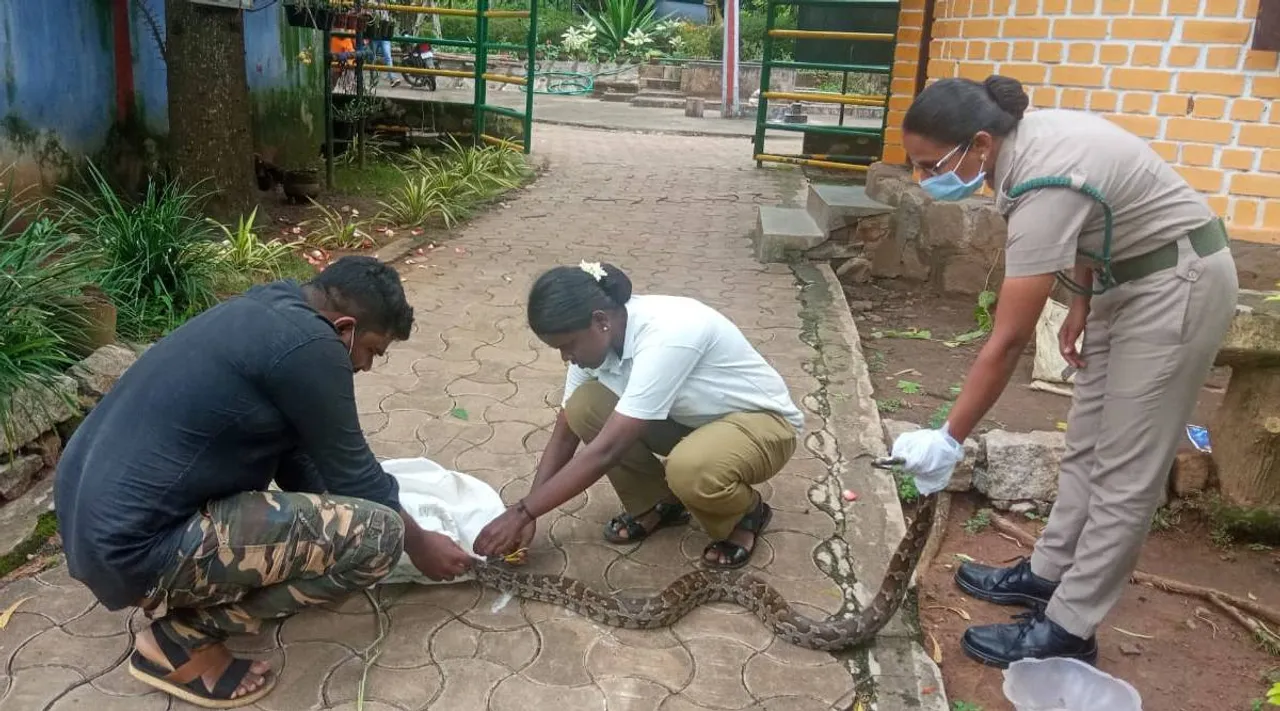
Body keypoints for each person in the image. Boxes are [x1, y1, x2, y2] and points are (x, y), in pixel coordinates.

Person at [890, 75, 1238, 668]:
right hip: (1122, 279)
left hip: (1178, 287)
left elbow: (1006, 341)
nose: (924, 180)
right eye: (915, 167)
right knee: (1086, 441)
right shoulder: (1018, 145)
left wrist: (949, 437)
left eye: (931, 165)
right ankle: (1048, 573)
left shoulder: (1041, 180)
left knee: (1126, 471)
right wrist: (1080, 302)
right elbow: (1096, 214)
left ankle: (1071, 627)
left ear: (978, 143)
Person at [54, 257, 474, 709]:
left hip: (93, 532)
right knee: (383, 534)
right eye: (372, 350)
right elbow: (358, 476)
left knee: (349, 523)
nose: (367, 366)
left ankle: (192, 590)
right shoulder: (314, 345)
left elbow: (296, 458)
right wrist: (419, 543)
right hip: (136, 553)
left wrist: (331, 530)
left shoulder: (267, 307)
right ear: (346, 327)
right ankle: (183, 638)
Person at [472, 262, 805, 569]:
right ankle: (659, 503)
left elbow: (607, 451)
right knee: (584, 407)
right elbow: (565, 430)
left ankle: (745, 514)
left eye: (568, 345)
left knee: (690, 469)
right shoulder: (599, 339)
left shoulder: (669, 334)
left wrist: (522, 511)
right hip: (697, 423)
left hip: (762, 426)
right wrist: (529, 511)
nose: (565, 357)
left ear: (601, 321)